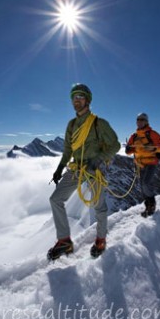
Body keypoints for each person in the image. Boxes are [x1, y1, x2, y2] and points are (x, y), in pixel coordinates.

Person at [47, 84, 120, 260]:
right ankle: (64, 241)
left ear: (87, 99)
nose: (76, 100)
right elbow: (67, 151)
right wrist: (59, 169)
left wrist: (98, 159)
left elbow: (115, 145)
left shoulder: (98, 124)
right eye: (74, 97)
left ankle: (100, 240)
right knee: (55, 199)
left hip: (92, 169)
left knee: (99, 207)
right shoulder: (72, 125)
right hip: (76, 168)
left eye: (80, 96)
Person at [125, 113, 160, 217]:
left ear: (146, 121)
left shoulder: (153, 134)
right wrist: (128, 149)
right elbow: (129, 150)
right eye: (138, 120)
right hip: (139, 164)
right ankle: (148, 207)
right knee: (142, 187)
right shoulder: (134, 136)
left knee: (146, 183)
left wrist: (154, 148)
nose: (139, 121)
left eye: (142, 120)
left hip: (151, 163)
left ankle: (152, 204)